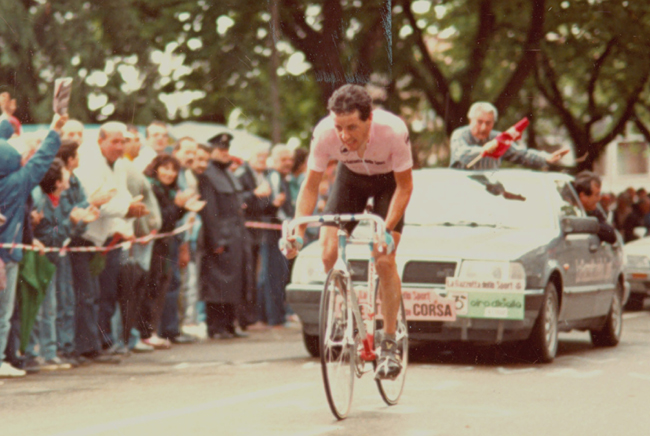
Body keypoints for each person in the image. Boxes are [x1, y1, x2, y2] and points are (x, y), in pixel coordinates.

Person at [283, 84, 412, 380]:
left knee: (383, 258)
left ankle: (389, 341)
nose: (344, 135)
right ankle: (351, 314)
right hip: (350, 180)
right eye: (339, 127)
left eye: (352, 126)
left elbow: (405, 187)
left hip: (388, 184)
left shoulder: (393, 130)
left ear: (370, 119)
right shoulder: (324, 132)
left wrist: (386, 230)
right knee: (327, 252)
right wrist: (298, 231)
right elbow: (311, 186)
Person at [0, 92, 67, 378]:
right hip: (8, 254)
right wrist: (54, 130)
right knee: (3, 314)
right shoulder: (18, 181)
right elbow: (41, 161)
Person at [74, 121, 149, 359]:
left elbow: (121, 197)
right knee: (88, 295)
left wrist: (127, 216)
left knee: (105, 294)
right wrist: (128, 209)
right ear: (100, 141)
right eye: (114, 141)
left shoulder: (119, 166)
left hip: (108, 238)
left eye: (122, 142)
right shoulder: (90, 164)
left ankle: (102, 343)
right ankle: (88, 347)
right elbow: (98, 203)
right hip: (86, 237)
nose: (119, 147)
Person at [137, 154, 204, 349]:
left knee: (160, 286)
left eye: (173, 170)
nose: (169, 173)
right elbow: (161, 219)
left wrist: (183, 208)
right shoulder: (153, 188)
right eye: (165, 168)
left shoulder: (169, 190)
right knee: (151, 287)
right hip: (154, 246)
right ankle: (146, 333)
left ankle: (152, 331)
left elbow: (171, 218)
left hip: (166, 244)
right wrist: (178, 206)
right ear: (155, 168)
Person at [196, 133, 253, 339]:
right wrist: (216, 239)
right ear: (212, 151)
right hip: (222, 235)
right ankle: (216, 326)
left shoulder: (228, 173)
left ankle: (230, 323)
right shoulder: (208, 175)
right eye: (221, 149)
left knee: (235, 281)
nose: (225, 153)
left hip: (236, 234)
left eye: (227, 149)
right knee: (218, 282)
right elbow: (210, 211)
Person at [449, 102, 569, 170]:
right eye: (479, 122)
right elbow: (462, 154)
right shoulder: (459, 135)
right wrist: (484, 150)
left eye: (488, 123)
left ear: (493, 123)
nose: (483, 128)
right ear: (470, 120)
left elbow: (521, 154)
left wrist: (545, 158)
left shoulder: (498, 138)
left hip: (489, 190)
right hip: (462, 188)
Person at [573, 171, 617, 244]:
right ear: (583, 196)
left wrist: (590, 225)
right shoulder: (567, 212)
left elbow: (611, 234)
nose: (599, 198)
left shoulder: (594, 212)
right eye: (596, 195)